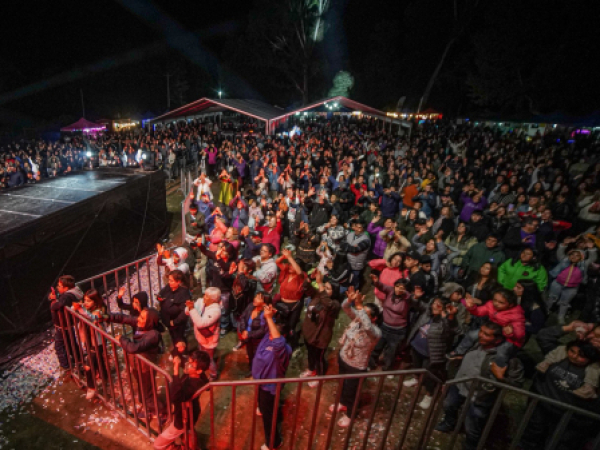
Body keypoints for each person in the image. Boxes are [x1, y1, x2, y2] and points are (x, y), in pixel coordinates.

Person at [435, 322, 524, 450]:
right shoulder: (476, 344)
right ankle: (449, 423)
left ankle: (470, 445)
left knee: (472, 425)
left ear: (498, 340)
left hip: (479, 397)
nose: (480, 335)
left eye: (486, 334)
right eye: (481, 331)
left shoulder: (507, 359)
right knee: (449, 405)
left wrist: (501, 378)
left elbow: (517, 384)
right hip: (459, 385)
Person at [518, 341, 600, 450]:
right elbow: (545, 338)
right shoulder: (558, 357)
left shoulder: (594, 373)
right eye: (572, 351)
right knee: (532, 433)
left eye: (581, 356)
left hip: (567, 416)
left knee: (557, 441)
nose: (574, 357)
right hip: (542, 406)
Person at [331, 288, 381, 428]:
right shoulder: (358, 320)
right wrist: (350, 300)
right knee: (342, 384)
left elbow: (367, 327)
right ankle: (342, 403)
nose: (361, 315)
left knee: (352, 392)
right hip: (344, 358)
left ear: (374, 319)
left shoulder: (375, 333)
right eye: (361, 312)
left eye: (366, 314)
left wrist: (359, 306)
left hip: (356, 366)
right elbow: (345, 307)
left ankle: (349, 415)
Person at [102, 308, 164, 420]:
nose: (138, 319)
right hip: (137, 365)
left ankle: (160, 412)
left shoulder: (153, 335)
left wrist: (122, 339)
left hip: (146, 368)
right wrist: (106, 317)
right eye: (140, 316)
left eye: (142, 318)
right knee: (142, 391)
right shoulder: (141, 324)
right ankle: (149, 409)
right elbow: (124, 318)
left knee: (147, 394)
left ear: (150, 322)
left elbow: (134, 348)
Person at [403, 297, 458, 409]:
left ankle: (429, 394)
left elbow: (452, 330)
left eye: (439, 305)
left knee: (429, 376)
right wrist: (416, 297)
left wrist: (450, 316)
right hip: (416, 347)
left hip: (430, 354)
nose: (435, 306)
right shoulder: (427, 313)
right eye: (434, 303)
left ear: (445, 308)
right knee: (416, 366)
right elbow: (417, 303)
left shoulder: (445, 321)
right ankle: (416, 379)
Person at [252, 304, 292, 450]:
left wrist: (269, 319)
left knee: (269, 418)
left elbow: (278, 341)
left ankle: (274, 443)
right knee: (264, 406)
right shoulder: (268, 337)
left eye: (272, 334)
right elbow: (264, 324)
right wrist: (269, 316)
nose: (269, 335)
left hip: (270, 388)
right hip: (261, 382)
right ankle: (262, 408)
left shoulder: (283, 349)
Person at [153, 350, 211, 450]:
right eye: (189, 362)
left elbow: (175, 396)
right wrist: (178, 353)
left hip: (183, 418)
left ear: (199, 371)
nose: (187, 365)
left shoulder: (195, 385)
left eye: (191, 365)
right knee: (188, 431)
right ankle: (190, 443)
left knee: (158, 445)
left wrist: (176, 371)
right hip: (189, 413)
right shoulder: (197, 374)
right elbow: (177, 353)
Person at [301, 271, 341, 386]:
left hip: (320, 338)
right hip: (309, 332)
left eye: (327, 288)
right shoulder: (318, 295)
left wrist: (319, 283)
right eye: (324, 286)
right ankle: (311, 369)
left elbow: (327, 304)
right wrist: (310, 278)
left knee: (319, 358)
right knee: (310, 354)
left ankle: (320, 376)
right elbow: (305, 288)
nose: (323, 289)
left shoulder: (335, 305)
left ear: (334, 292)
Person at [368, 274, 414, 371]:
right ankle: (371, 364)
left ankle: (387, 369)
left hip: (397, 331)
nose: (398, 289)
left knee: (391, 352)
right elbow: (382, 286)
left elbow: (411, 298)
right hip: (384, 326)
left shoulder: (407, 298)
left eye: (402, 288)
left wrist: (406, 292)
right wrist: (376, 281)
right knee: (377, 346)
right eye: (397, 286)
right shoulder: (390, 291)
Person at [71, 289, 108, 400]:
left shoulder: (99, 311)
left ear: (95, 302)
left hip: (97, 342)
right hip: (88, 341)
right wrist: (79, 306)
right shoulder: (86, 309)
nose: (86, 303)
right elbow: (73, 309)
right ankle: (104, 377)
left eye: (89, 301)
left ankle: (91, 387)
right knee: (98, 360)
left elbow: (92, 317)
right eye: (85, 300)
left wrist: (80, 308)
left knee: (88, 365)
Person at [49, 275, 84, 373]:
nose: (57, 288)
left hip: (64, 324)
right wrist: (55, 297)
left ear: (66, 288)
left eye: (59, 286)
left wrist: (53, 302)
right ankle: (79, 359)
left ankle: (67, 367)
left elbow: (58, 305)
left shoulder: (67, 296)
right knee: (71, 342)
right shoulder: (73, 293)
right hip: (67, 324)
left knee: (59, 346)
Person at [186, 288, 222, 380]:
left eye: (206, 296)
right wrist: (189, 307)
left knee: (208, 359)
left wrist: (192, 308)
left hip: (209, 340)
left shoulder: (216, 311)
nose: (204, 297)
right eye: (205, 294)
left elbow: (200, 323)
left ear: (213, 300)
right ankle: (202, 368)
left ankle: (213, 374)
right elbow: (187, 311)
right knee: (201, 354)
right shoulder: (200, 301)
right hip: (200, 337)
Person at [275, 249, 308, 347]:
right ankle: (280, 343)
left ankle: (290, 345)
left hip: (294, 306)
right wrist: (284, 256)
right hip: (282, 304)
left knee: (290, 327)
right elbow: (277, 262)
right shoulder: (286, 273)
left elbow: (299, 271)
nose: (290, 267)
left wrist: (290, 257)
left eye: (292, 265)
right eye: (289, 265)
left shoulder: (301, 277)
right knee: (280, 325)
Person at [157, 270, 191, 345]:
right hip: (168, 320)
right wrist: (159, 298)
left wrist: (174, 322)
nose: (169, 282)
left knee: (179, 339)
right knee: (173, 337)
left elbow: (185, 312)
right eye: (169, 280)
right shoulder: (168, 287)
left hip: (177, 323)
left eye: (171, 281)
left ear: (178, 282)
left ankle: (182, 350)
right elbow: (161, 294)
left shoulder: (184, 293)